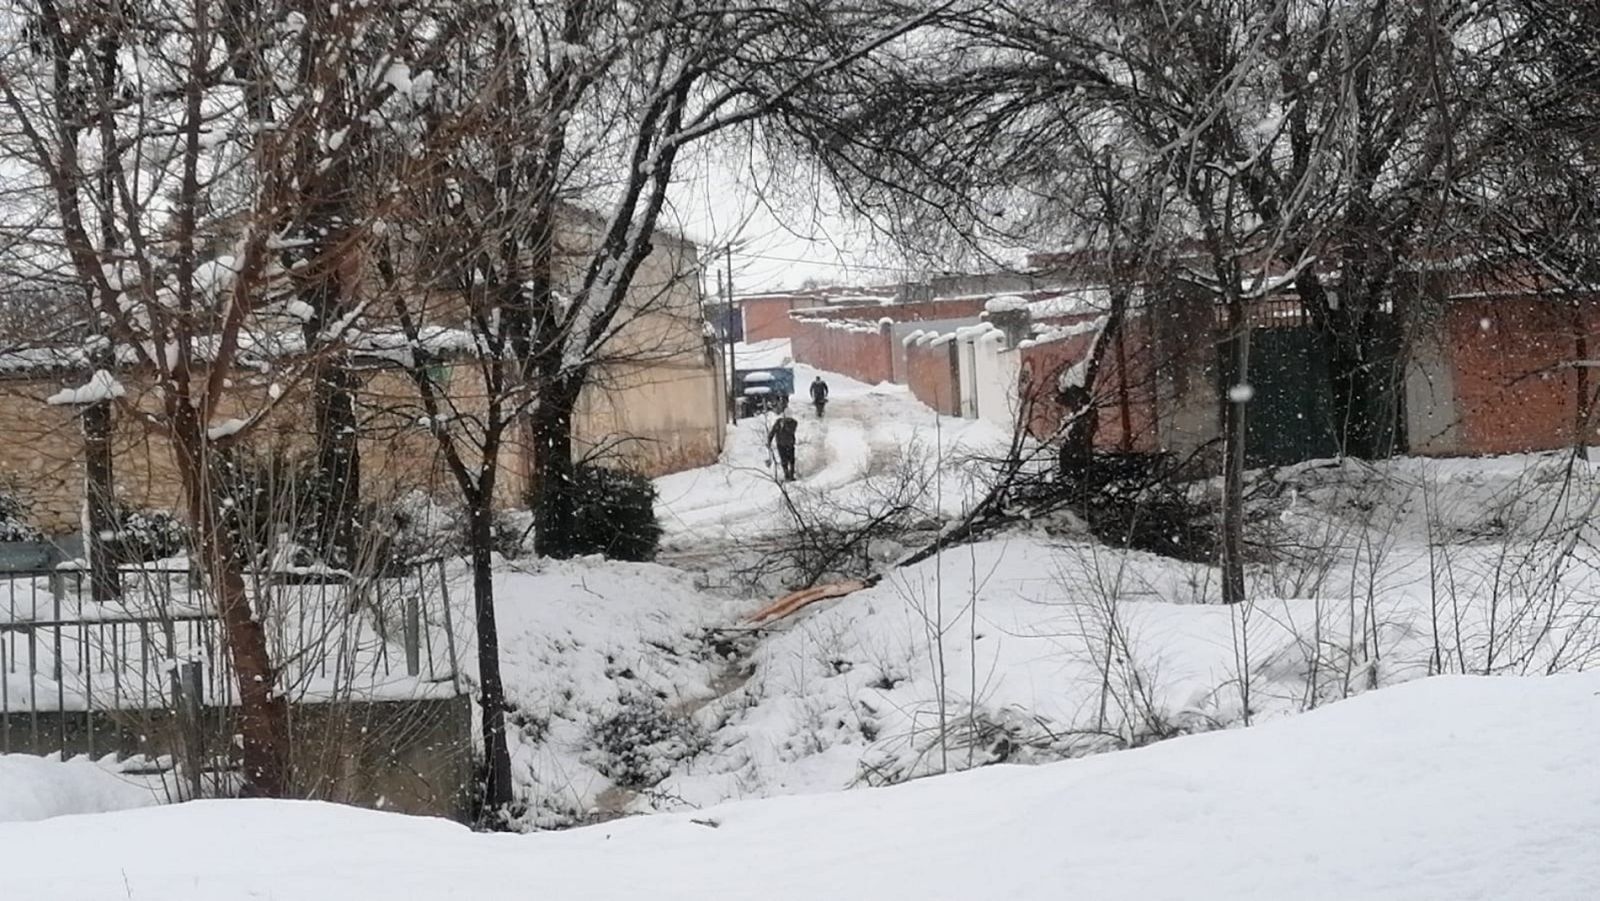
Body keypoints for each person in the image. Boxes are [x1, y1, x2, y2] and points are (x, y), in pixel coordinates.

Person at [767, 411, 799, 481]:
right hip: (780, 444)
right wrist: (769, 440)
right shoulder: (778, 423)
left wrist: (784, 425)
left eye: (789, 418)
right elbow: (773, 431)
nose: (787, 419)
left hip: (790, 444)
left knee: (791, 459)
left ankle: (792, 474)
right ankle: (786, 474)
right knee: (783, 460)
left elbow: (790, 430)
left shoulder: (793, 423)